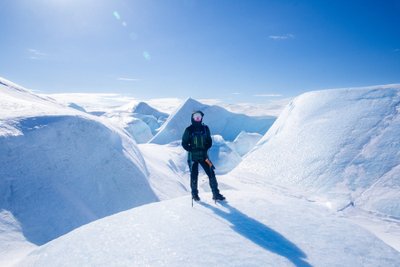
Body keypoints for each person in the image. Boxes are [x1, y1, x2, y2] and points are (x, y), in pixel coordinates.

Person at [181, 111, 225, 201]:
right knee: (194, 176)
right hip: (193, 157)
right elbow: (184, 143)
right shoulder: (188, 130)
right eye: (196, 117)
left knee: (211, 173)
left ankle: (216, 194)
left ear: (201, 118)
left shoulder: (205, 128)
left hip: (205, 157)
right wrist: (191, 149)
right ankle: (194, 195)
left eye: (199, 117)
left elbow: (209, 141)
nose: (197, 119)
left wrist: (206, 147)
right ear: (192, 118)